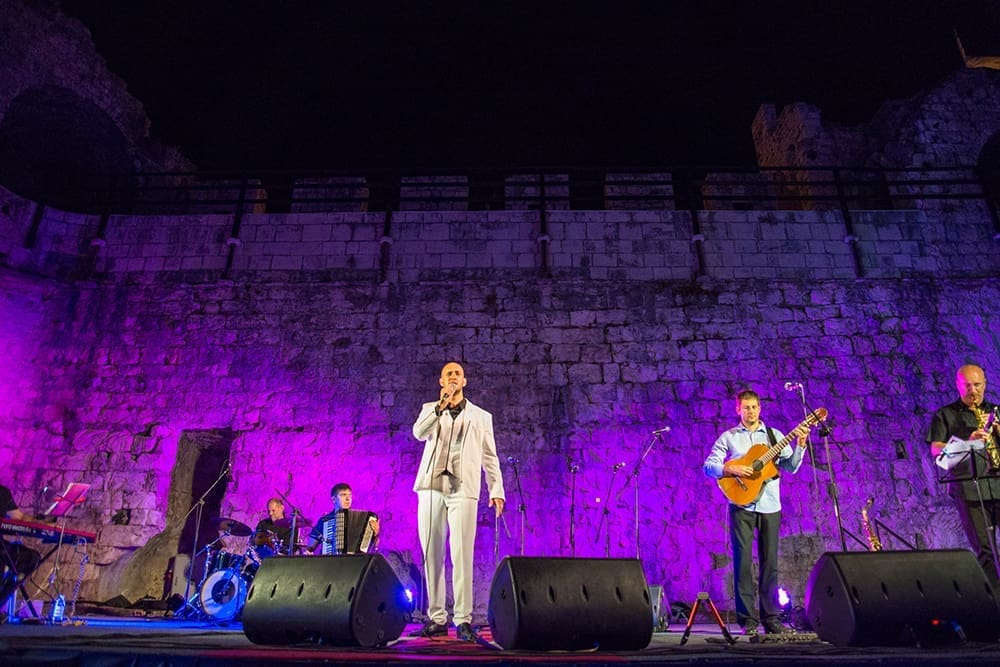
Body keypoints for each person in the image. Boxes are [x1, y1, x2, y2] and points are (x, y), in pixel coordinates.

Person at [410, 361, 506, 642]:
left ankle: (463, 619)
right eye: (448, 373)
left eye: (458, 373)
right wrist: (440, 406)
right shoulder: (430, 409)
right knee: (432, 552)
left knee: (462, 553)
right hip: (431, 487)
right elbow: (419, 433)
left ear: (464, 381)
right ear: (441, 382)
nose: (453, 376)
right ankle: (437, 617)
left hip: (463, 488)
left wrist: (496, 489)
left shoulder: (481, 416)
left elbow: (490, 455)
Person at [703, 389, 808, 637]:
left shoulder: (775, 436)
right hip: (741, 506)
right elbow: (708, 467)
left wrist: (801, 445)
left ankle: (771, 618)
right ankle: (747, 621)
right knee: (742, 564)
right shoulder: (729, 437)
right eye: (746, 407)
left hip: (770, 505)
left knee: (770, 563)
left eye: (754, 407)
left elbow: (790, 467)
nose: (750, 411)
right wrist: (732, 469)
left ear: (760, 408)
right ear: (738, 410)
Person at [928, 363, 1000, 588]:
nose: (973, 390)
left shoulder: (995, 411)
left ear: (985, 384)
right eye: (967, 385)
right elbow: (936, 450)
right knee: (986, 550)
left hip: (998, 484)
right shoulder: (945, 415)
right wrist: (968, 442)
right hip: (970, 490)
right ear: (958, 386)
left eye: (977, 385)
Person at [0, 485, 42, 616]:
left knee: (31, 557)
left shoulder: (2, 492)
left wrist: (42, 523)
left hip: (1, 546)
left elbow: (18, 516)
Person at [305, 483, 380, 554]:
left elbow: (374, 547)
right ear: (334, 499)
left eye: (350, 495)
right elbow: (310, 547)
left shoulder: (363, 518)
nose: (348, 499)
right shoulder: (325, 520)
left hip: (355, 560)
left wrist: (376, 534)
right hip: (330, 561)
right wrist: (308, 553)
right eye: (343, 495)